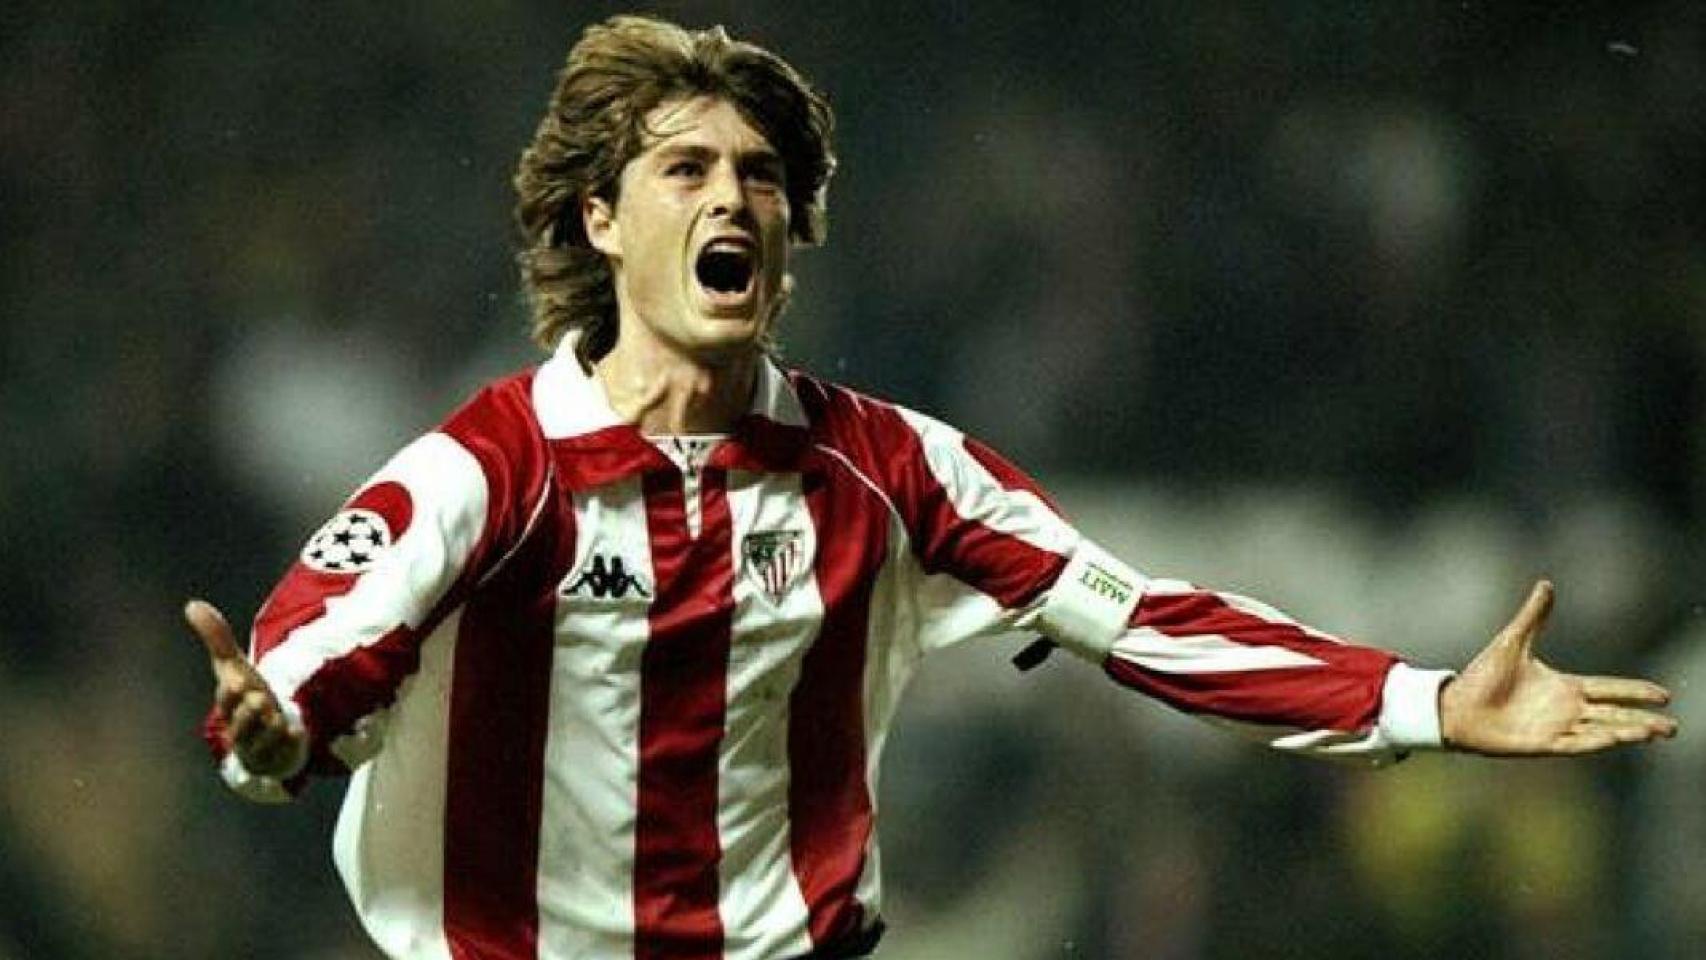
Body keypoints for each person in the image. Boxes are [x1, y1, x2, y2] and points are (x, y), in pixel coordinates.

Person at [187, 14, 1678, 960]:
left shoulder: (888, 470)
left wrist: (1421, 701)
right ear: (600, 220)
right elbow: (312, 658)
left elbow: (1140, 617)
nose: (732, 196)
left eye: (760, 175)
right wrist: (268, 736)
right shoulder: (488, 471)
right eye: (686, 170)